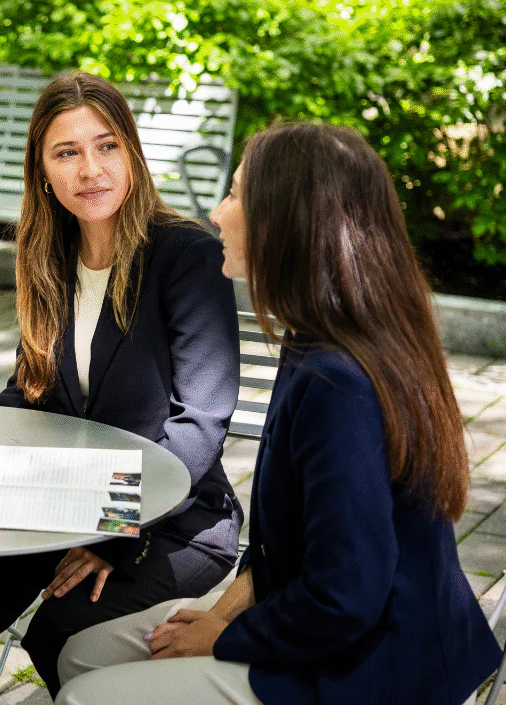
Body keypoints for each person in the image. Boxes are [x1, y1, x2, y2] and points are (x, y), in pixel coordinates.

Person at [52, 122, 503, 704]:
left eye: (237, 194)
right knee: (80, 654)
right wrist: (230, 603)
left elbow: (346, 595)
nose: (217, 212)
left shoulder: (339, 382)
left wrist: (229, 635)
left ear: (284, 224)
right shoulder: (315, 336)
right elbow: (295, 546)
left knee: (85, 697)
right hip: (319, 619)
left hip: (372, 667)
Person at [0, 72, 242, 703]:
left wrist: (110, 532)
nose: (90, 170)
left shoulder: (185, 258)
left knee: (58, 629)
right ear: (42, 170)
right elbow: (30, 395)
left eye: (106, 147)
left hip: (170, 523)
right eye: (66, 153)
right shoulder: (49, 256)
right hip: (61, 505)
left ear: (131, 152)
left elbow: (200, 426)